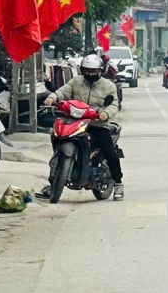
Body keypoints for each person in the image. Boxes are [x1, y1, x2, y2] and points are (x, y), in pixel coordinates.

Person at [41, 53, 125, 201]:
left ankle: (118, 183)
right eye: (87, 70)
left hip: (97, 124)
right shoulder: (76, 82)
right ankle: (54, 182)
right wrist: (52, 98)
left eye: (93, 71)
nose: (90, 74)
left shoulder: (109, 86)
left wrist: (105, 114)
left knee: (109, 151)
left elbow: (113, 105)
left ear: (101, 70)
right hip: (74, 122)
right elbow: (63, 91)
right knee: (57, 139)